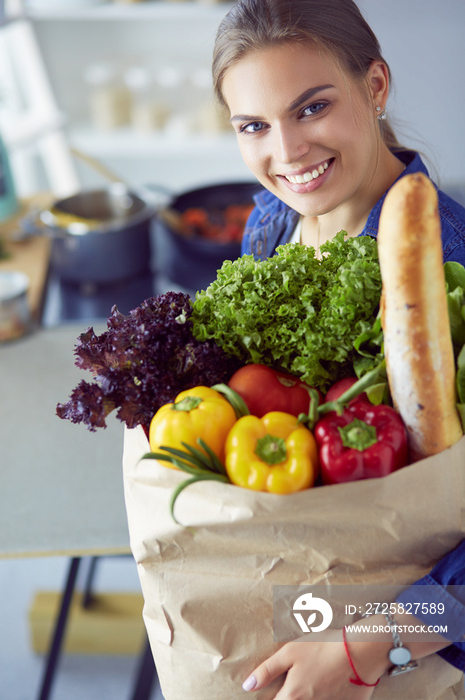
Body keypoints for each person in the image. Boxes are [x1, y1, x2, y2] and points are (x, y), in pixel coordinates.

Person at [211, 0, 465, 696]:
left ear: (376, 86)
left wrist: (371, 640)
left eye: (313, 107)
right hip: (279, 602)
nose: (287, 153)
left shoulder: (453, 269)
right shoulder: (268, 226)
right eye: (255, 126)